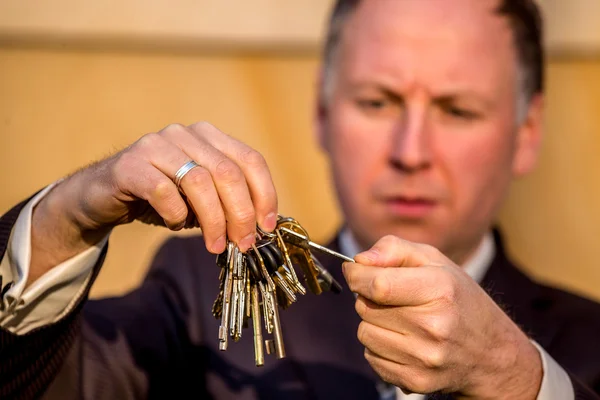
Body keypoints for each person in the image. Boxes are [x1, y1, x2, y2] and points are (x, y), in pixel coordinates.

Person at [1, 0, 599, 399]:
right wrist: (66, 216)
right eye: (377, 102)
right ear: (322, 112)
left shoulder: (587, 345)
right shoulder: (193, 297)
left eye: (458, 111)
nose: (410, 150)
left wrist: (514, 375)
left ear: (526, 134)